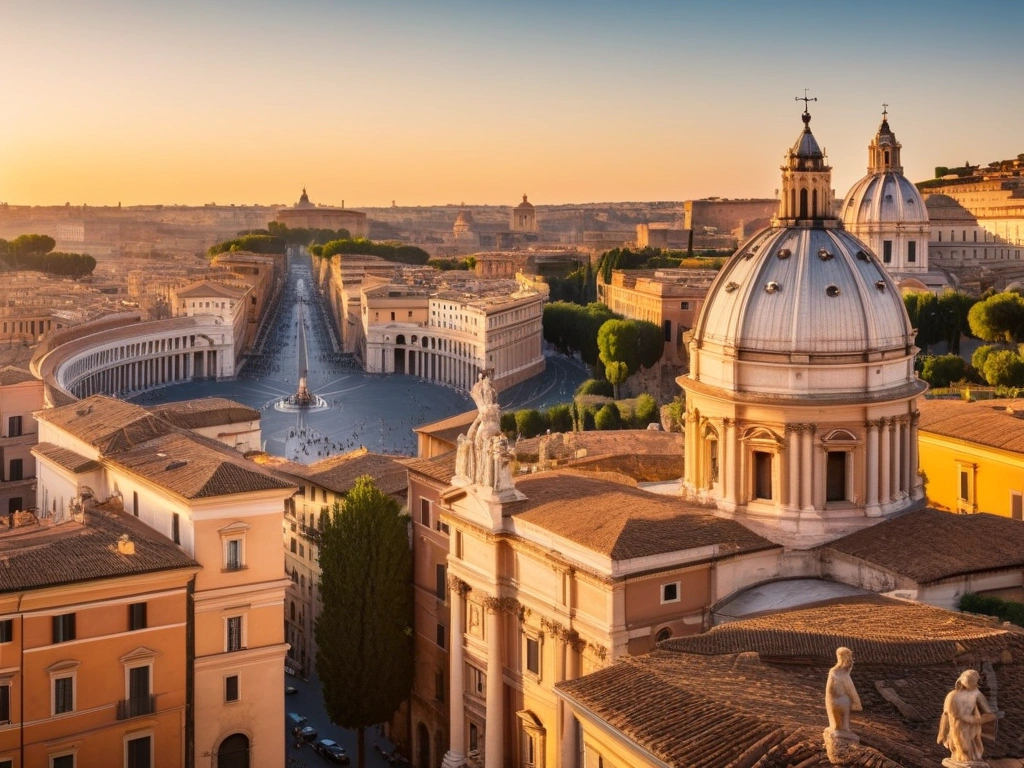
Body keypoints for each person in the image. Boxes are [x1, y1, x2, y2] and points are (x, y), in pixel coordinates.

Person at [938, 669, 998, 762]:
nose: (971, 684)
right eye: (968, 681)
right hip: (955, 728)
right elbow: (946, 716)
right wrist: (942, 733)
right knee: (959, 751)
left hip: (969, 728)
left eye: (973, 681)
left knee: (967, 752)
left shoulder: (976, 693)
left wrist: (974, 720)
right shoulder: (952, 695)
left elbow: (990, 715)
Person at [825, 647, 861, 733]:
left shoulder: (833, 671)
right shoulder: (846, 671)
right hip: (845, 699)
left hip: (835, 699)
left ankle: (837, 729)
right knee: (845, 717)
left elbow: (830, 688)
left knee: (836, 720)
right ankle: (845, 728)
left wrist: (830, 698)